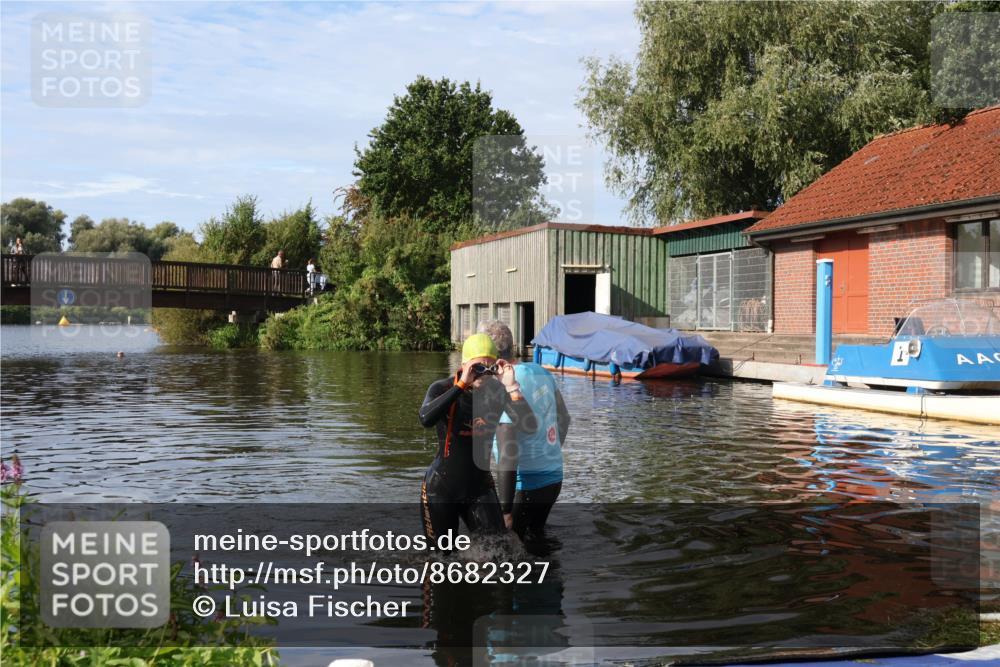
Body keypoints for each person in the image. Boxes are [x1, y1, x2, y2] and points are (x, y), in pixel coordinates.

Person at [418, 333, 537, 543]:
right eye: (477, 367)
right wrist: (461, 385)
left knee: (499, 552)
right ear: (464, 365)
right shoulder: (442, 388)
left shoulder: (498, 392)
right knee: (441, 558)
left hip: (479, 487)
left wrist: (511, 386)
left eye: (488, 368)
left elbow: (530, 427)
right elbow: (425, 419)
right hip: (441, 488)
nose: (482, 374)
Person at [479, 320, 570, 540]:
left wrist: (505, 510)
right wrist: (548, 454)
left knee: (511, 549)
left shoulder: (503, 387)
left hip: (525, 484)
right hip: (554, 476)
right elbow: (564, 419)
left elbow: (508, 455)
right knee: (536, 540)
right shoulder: (540, 371)